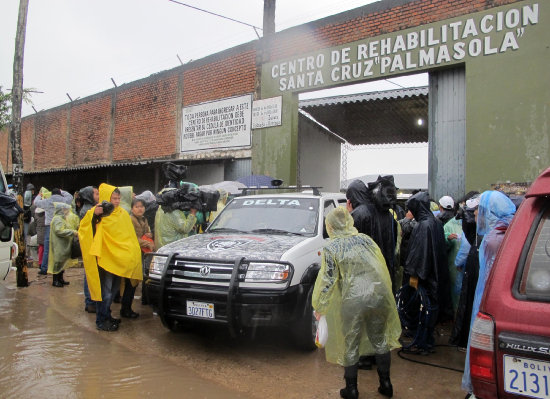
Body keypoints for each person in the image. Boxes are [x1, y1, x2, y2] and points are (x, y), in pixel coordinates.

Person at [312, 207, 401, 399]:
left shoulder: (331, 248)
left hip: (353, 300)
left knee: (350, 343)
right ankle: (386, 384)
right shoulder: (366, 240)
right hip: (377, 294)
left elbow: (328, 280)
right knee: (380, 340)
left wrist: (320, 306)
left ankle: (351, 389)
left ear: (331, 226)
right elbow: (381, 265)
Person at [462, 191, 516, 396]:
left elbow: (487, 280)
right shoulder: (512, 230)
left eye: (480, 211)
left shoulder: (494, 238)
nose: (476, 215)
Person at [78, 183, 142, 332]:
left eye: (118, 198)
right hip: (105, 260)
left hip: (118, 261)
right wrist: (95, 215)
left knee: (113, 291)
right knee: (105, 292)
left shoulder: (122, 214)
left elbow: (128, 237)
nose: (117, 201)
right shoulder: (97, 212)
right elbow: (84, 230)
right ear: (107, 197)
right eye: (114, 198)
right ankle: (101, 320)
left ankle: (107, 315)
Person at [403, 191, 453, 353]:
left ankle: (422, 342)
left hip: (423, 277)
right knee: (429, 310)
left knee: (423, 309)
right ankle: (426, 340)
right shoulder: (435, 223)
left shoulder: (424, 226)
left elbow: (420, 254)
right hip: (434, 276)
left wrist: (414, 276)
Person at [34, 187, 73, 276]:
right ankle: (59, 269)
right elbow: (70, 197)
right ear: (60, 193)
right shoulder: (64, 200)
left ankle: (44, 268)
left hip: (49, 226)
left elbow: (36, 202)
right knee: (61, 248)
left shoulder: (47, 201)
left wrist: (39, 195)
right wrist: (63, 191)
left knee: (47, 248)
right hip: (61, 225)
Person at [130, 197, 155, 310]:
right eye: (137, 207)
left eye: (142, 206)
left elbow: (146, 232)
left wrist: (149, 234)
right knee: (132, 279)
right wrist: (147, 242)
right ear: (132, 209)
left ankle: (145, 298)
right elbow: (133, 238)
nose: (140, 209)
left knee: (146, 274)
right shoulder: (131, 219)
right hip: (134, 251)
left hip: (143, 251)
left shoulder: (144, 219)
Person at [78, 186, 99, 313]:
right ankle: (90, 301)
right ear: (89, 196)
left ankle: (91, 300)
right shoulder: (88, 210)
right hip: (90, 245)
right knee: (89, 273)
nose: (98, 196)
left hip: (91, 244)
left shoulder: (90, 208)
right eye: (96, 194)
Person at [47, 203, 79, 287]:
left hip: (63, 244)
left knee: (62, 262)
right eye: (65, 209)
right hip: (59, 245)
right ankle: (56, 280)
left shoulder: (62, 218)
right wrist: (72, 232)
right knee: (58, 262)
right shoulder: (58, 219)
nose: (67, 211)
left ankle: (60, 279)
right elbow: (59, 231)